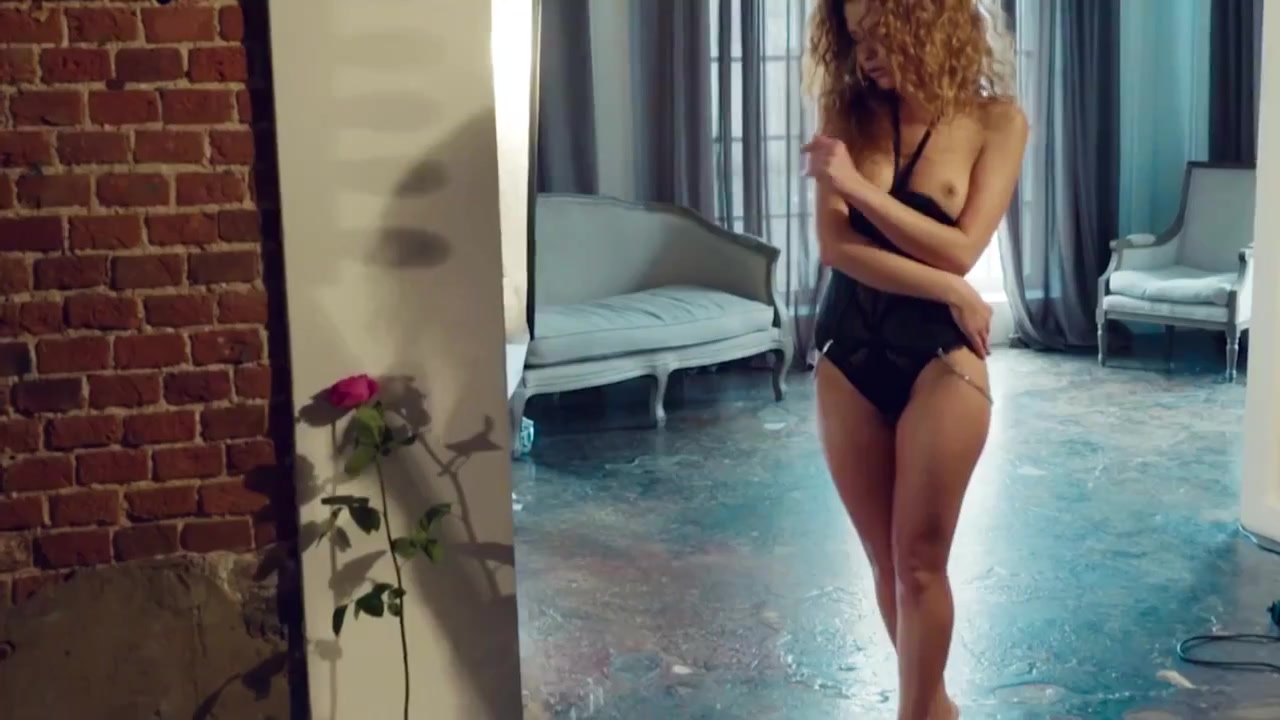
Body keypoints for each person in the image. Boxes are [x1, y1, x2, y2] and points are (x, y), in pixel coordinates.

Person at [801, 1, 1027, 718]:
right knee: (887, 564)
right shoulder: (847, 113)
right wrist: (950, 290)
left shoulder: (998, 123)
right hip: (848, 353)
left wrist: (856, 187)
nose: (866, 53)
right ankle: (935, 709)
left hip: (941, 358)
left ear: (928, 23)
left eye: (882, 34)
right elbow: (837, 249)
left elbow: (961, 248)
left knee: (922, 563)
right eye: (856, 38)